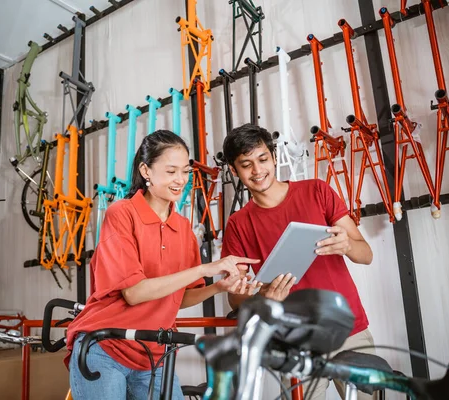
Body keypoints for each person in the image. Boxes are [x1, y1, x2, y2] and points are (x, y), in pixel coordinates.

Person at [65, 130, 261, 399]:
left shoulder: (183, 229)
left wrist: (217, 287)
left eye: (184, 171)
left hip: (152, 354)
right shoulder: (121, 214)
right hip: (106, 348)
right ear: (146, 171)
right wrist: (205, 269)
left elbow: (178, 298)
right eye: (171, 171)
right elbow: (134, 293)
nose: (180, 180)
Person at [220, 123, 377, 400]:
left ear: (274, 156)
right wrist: (263, 295)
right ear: (234, 170)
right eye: (246, 165)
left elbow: (366, 254)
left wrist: (348, 245)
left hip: (347, 330)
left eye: (262, 159)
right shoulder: (238, 224)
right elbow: (234, 298)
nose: (257, 171)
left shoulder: (317, 191)